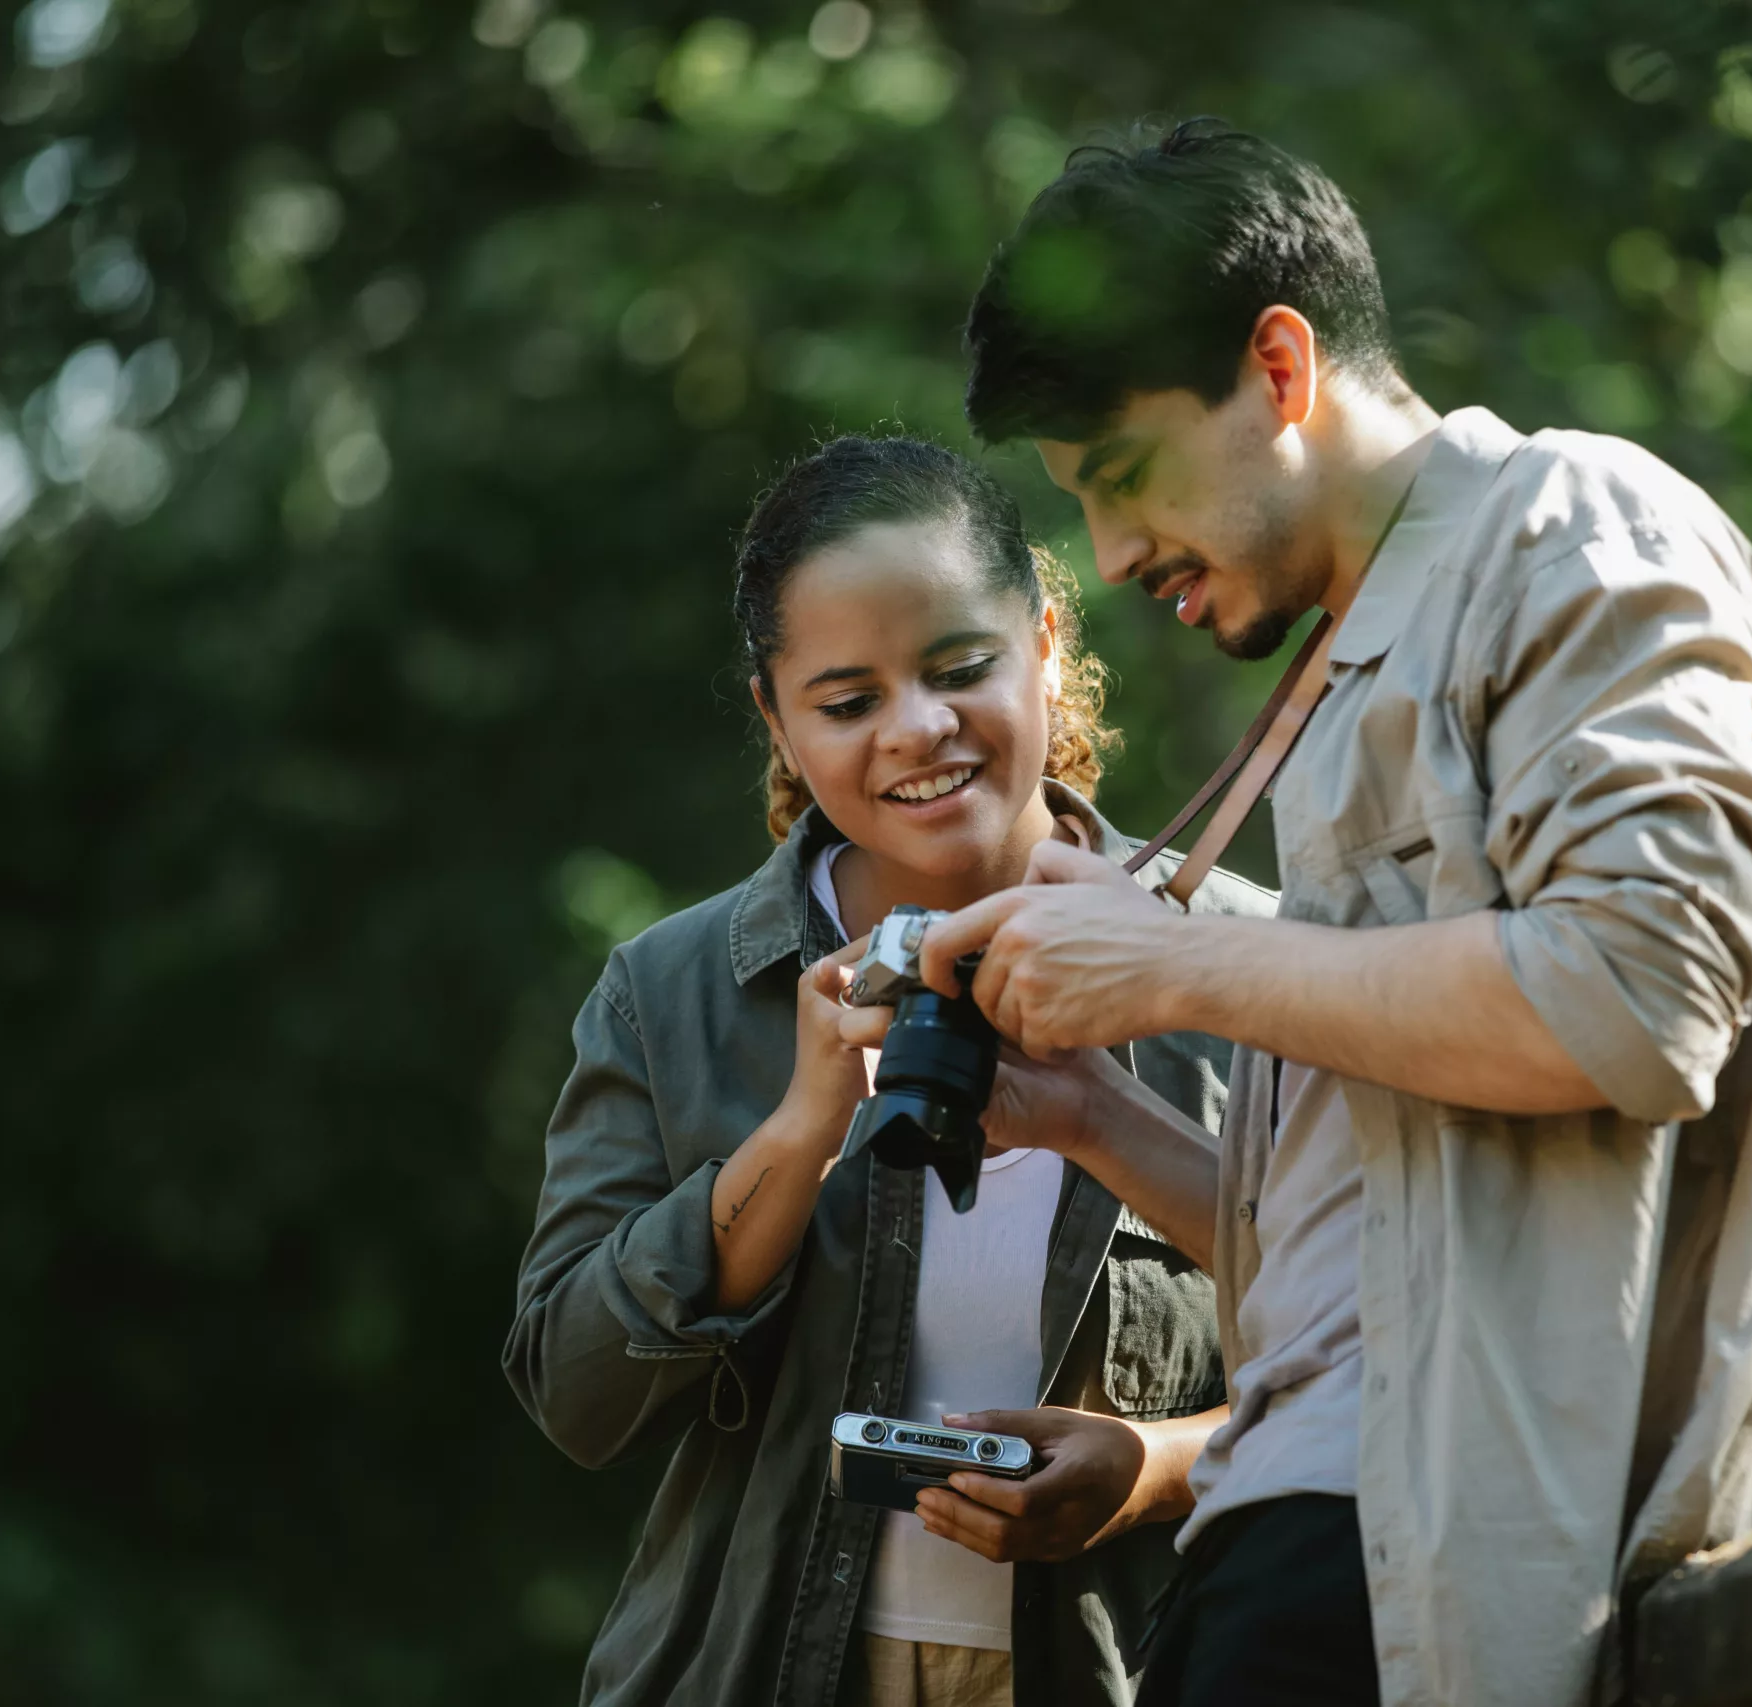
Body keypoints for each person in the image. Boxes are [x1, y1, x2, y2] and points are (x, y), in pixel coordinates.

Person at [862, 122, 1752, 1707]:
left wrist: (1180, 957)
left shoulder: (1573, 524)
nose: (1115, 556)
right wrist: (1094, 1112)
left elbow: (1637, 997)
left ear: (1280, 365)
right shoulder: (1335, 677)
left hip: (1437, 1555)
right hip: (1306, 1535)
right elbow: (1375, 1255)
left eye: (1123, 478)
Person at [500, 435, 1271, 1707]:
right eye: (848, 702)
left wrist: (1157, 1467)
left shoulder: (1247, 965)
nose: (918, 731)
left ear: (1042, 644)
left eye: (959, 669)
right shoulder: (670, 993)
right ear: (778, 718)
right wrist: (801, 1130)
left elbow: (1398, 1350)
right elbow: (578, 1400)